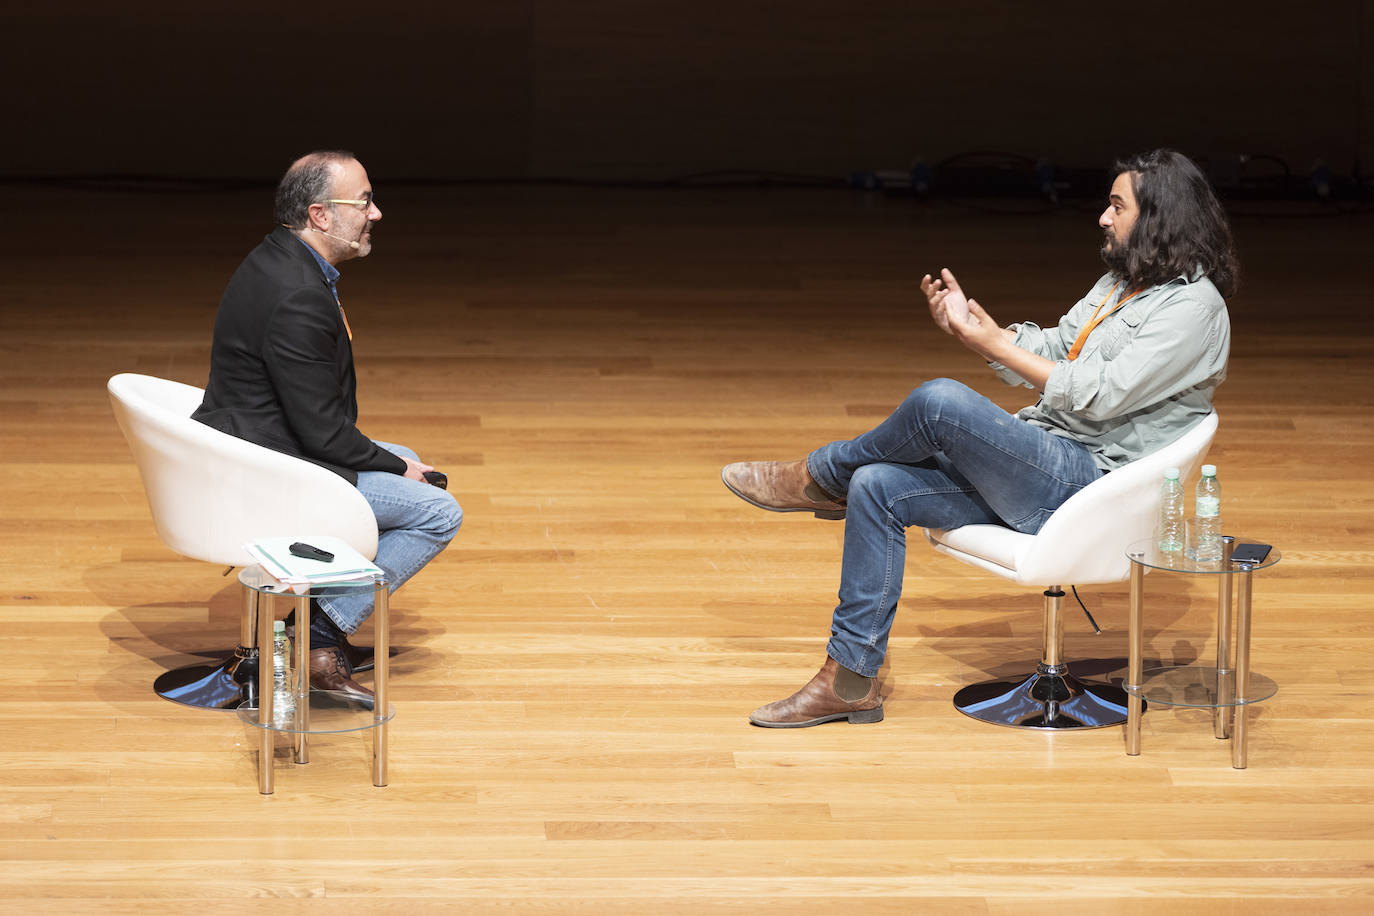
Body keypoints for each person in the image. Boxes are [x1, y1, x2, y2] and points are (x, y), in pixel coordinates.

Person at [722, 148, 1237, 728]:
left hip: (1089, 483)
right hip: (1042, 458)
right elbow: (1057, 349)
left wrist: (993, 349)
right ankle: (850, 681)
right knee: (877, 483)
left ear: (1159, 216)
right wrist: (983, 334)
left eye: (1117, 206)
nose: (1102, 217)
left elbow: (1098, 392)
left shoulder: (1195, 309)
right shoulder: (1123, 283)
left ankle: (818, 476)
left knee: (939, 401)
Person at [193, 150, 463, 704]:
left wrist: (398, 461)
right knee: (438, 510)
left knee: (409, 460)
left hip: (260, 441)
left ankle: (320, 627)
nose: (376, 212)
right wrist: (397, 468)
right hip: (271, 465)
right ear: (320, 215)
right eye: (364, 200)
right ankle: (315, 637)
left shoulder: (277, 258)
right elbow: (322, 435)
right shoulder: (297, 296)